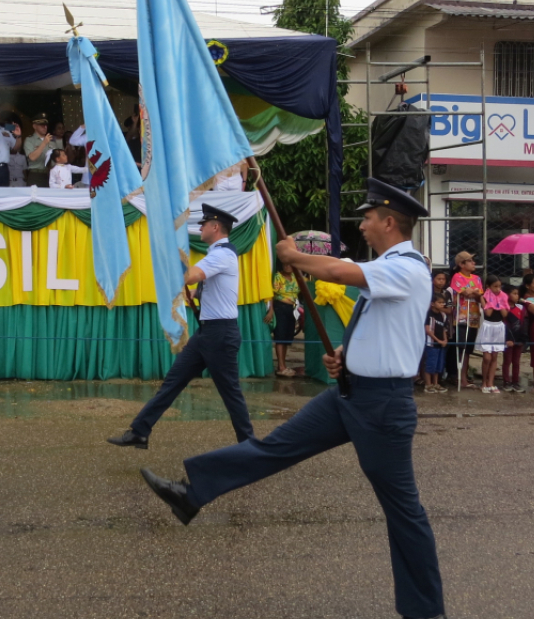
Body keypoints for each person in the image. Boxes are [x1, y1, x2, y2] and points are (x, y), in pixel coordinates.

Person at [137, 178, 446, 619]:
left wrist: (295, 256)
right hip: (351, 392)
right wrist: (346, 356)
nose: (362, 224)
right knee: (275, 446)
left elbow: (340, 272)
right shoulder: (388, 266)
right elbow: (384, 326)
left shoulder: (407, 266)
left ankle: (426, 611)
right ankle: (192, 493)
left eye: (368, 217)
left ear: (390, 222)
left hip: (382, 406)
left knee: (403, 510)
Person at [107, 205, 254, 448]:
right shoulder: (217, 253)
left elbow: (191, 275)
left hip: (220, 334)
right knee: (173, 381)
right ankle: (140, 430)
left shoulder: (222, 254)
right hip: (207, 333)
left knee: (231, 394)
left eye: (204, 224)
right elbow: (207, 285)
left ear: (215, 227)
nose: (200, 227)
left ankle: (251, 447)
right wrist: (196, 294)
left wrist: (171, 256)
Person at [449, 251, 482, 388]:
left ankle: (464, 377)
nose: (473, 263)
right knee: (460, 348)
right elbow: (466, 292)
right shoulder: (457, 277)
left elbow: (479, 294)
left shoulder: (477, 278)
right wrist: (473, 291)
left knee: (468, 349)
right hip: (461, 317)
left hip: (473, 317)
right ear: (462, 264)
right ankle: (457, 377)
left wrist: (473, 292)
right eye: (470, 261)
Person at [265, 261, 301, 378]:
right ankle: (281, 366)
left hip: (292, 308)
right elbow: (272, 294)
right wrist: (271, 310)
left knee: (287, 337)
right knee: (280, 337)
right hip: (280, 307)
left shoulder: (296, 277)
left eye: (290, 264)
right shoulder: (278, 277)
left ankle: (284, 365)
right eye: (285, 264)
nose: (288, 266)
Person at [475, 275, 507, 394]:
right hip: (488, 327)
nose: (498, 289)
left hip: (499, 327)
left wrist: (500, 301)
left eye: (499, 286)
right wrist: (493, 301)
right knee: (487, 357)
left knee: (494, 357)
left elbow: (504, 314)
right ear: (488, 287)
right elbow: (488, 312)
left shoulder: (502, 297)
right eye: (495, 287)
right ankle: (484, 382)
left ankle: (491, 383)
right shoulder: (484, 297)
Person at [23, 113, 63, 188]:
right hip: (36, 175)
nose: (44, 127)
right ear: (34, 126)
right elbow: (32, 157)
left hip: (51, 175)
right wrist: (44, 143)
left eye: (46, 125)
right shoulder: (29, 140)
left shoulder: (52, 141)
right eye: (41, 125)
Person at [502, 284, 526, 393]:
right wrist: (507, 339)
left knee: (516, 361)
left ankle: (515, 381)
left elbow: (522, 324)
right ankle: (506, 381)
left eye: (518, 294)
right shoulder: (503, 309)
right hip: (508, 340)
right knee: (507, 360)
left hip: (518, 338)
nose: (517, 296)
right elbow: (505, 325)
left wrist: (522, 339)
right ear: (507, 295)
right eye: (514, 294)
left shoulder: (520, 308)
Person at [423, 295, 448, 394]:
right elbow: (428, 330)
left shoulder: (443, 315)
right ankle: (428, 385)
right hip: (431, 343)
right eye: (440, 302)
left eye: (443, 302)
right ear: (432, 303)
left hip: (440, 344)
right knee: (430, 364)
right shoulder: (428, 314)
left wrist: (445, 340)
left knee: (438, 364)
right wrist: (438, 340)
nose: (442, 304)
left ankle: (435, 383)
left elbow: (443, 330)